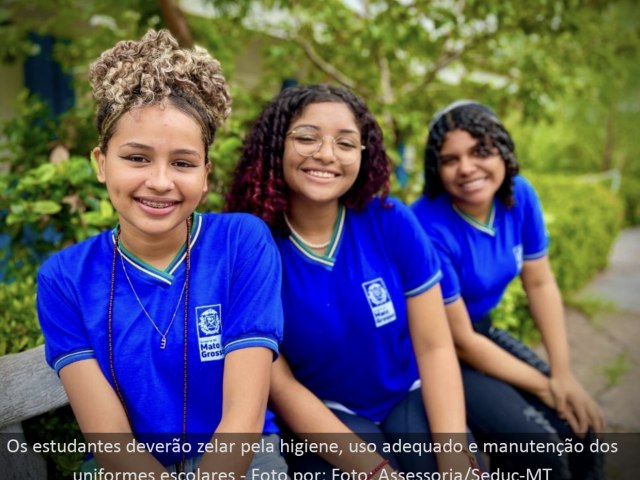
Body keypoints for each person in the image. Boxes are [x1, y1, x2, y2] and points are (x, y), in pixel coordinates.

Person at [36, 30, 287, 476]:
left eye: (183, 163)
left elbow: (242, 421)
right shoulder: (64, 278)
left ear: (206, 174)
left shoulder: (241, 243)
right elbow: (111, 441)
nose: (160, 181)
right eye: (136, 158)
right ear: (100, 162)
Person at [225, 84, 478, 477]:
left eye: (345, 143)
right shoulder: (252, 246)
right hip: (325, 411)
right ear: (276, 147)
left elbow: (434, 346)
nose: (326, 154)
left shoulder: (390, 220)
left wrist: (455, 457)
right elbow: (281, 384)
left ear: (363, 154)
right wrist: (374, 470)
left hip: (406, 394)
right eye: (307, 138)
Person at [411, 100, 605, 479]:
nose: (467, 168)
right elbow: (459, 340)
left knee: (584, 428)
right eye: (450, 159)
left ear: (503, 150)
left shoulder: (519, 195)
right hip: (432, 353)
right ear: (436, 168)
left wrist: (563, 375)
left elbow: (540, 281)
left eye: (480, 151)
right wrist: (548, 388)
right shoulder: (427, 226)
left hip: (480, 333)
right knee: (537, 452)